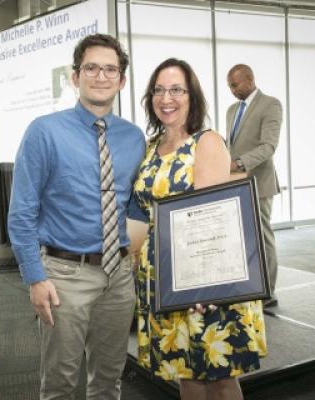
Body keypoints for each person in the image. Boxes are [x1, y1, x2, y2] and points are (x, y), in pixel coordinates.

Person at [7, 34, 145, 400]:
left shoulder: (134, 138)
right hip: (64, 275)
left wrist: (134, 254)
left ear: (122, 80)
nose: (101, 76)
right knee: (60, 384)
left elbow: (134, 204)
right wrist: (35, 278)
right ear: (75, 76)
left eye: (110, 69)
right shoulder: (44, 132)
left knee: (108, 381)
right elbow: (21, 212)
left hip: (118, 278)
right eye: (92, 68)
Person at [132, 58, 267, 400]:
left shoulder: (206, 142)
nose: (167, 98)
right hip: (162, 280)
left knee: (218, 375)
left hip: (202, 282)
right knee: (185, 371)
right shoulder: (149, 148)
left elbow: (214, 217)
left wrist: (204, 287)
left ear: (192, 96)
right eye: (159, 90)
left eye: (177, 89)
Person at [226, 64, 282, 307]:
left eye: (235, 84)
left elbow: (268, 146)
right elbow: (232, 145)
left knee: (262, 237)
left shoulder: (270, 104)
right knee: (243, 238)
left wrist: (238, 163)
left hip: (259, 183)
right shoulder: (231, 110)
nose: (232, 90)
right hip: (235, 184)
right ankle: (249, 286)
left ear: (249, 79)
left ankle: (268, 292)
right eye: (229, 85)